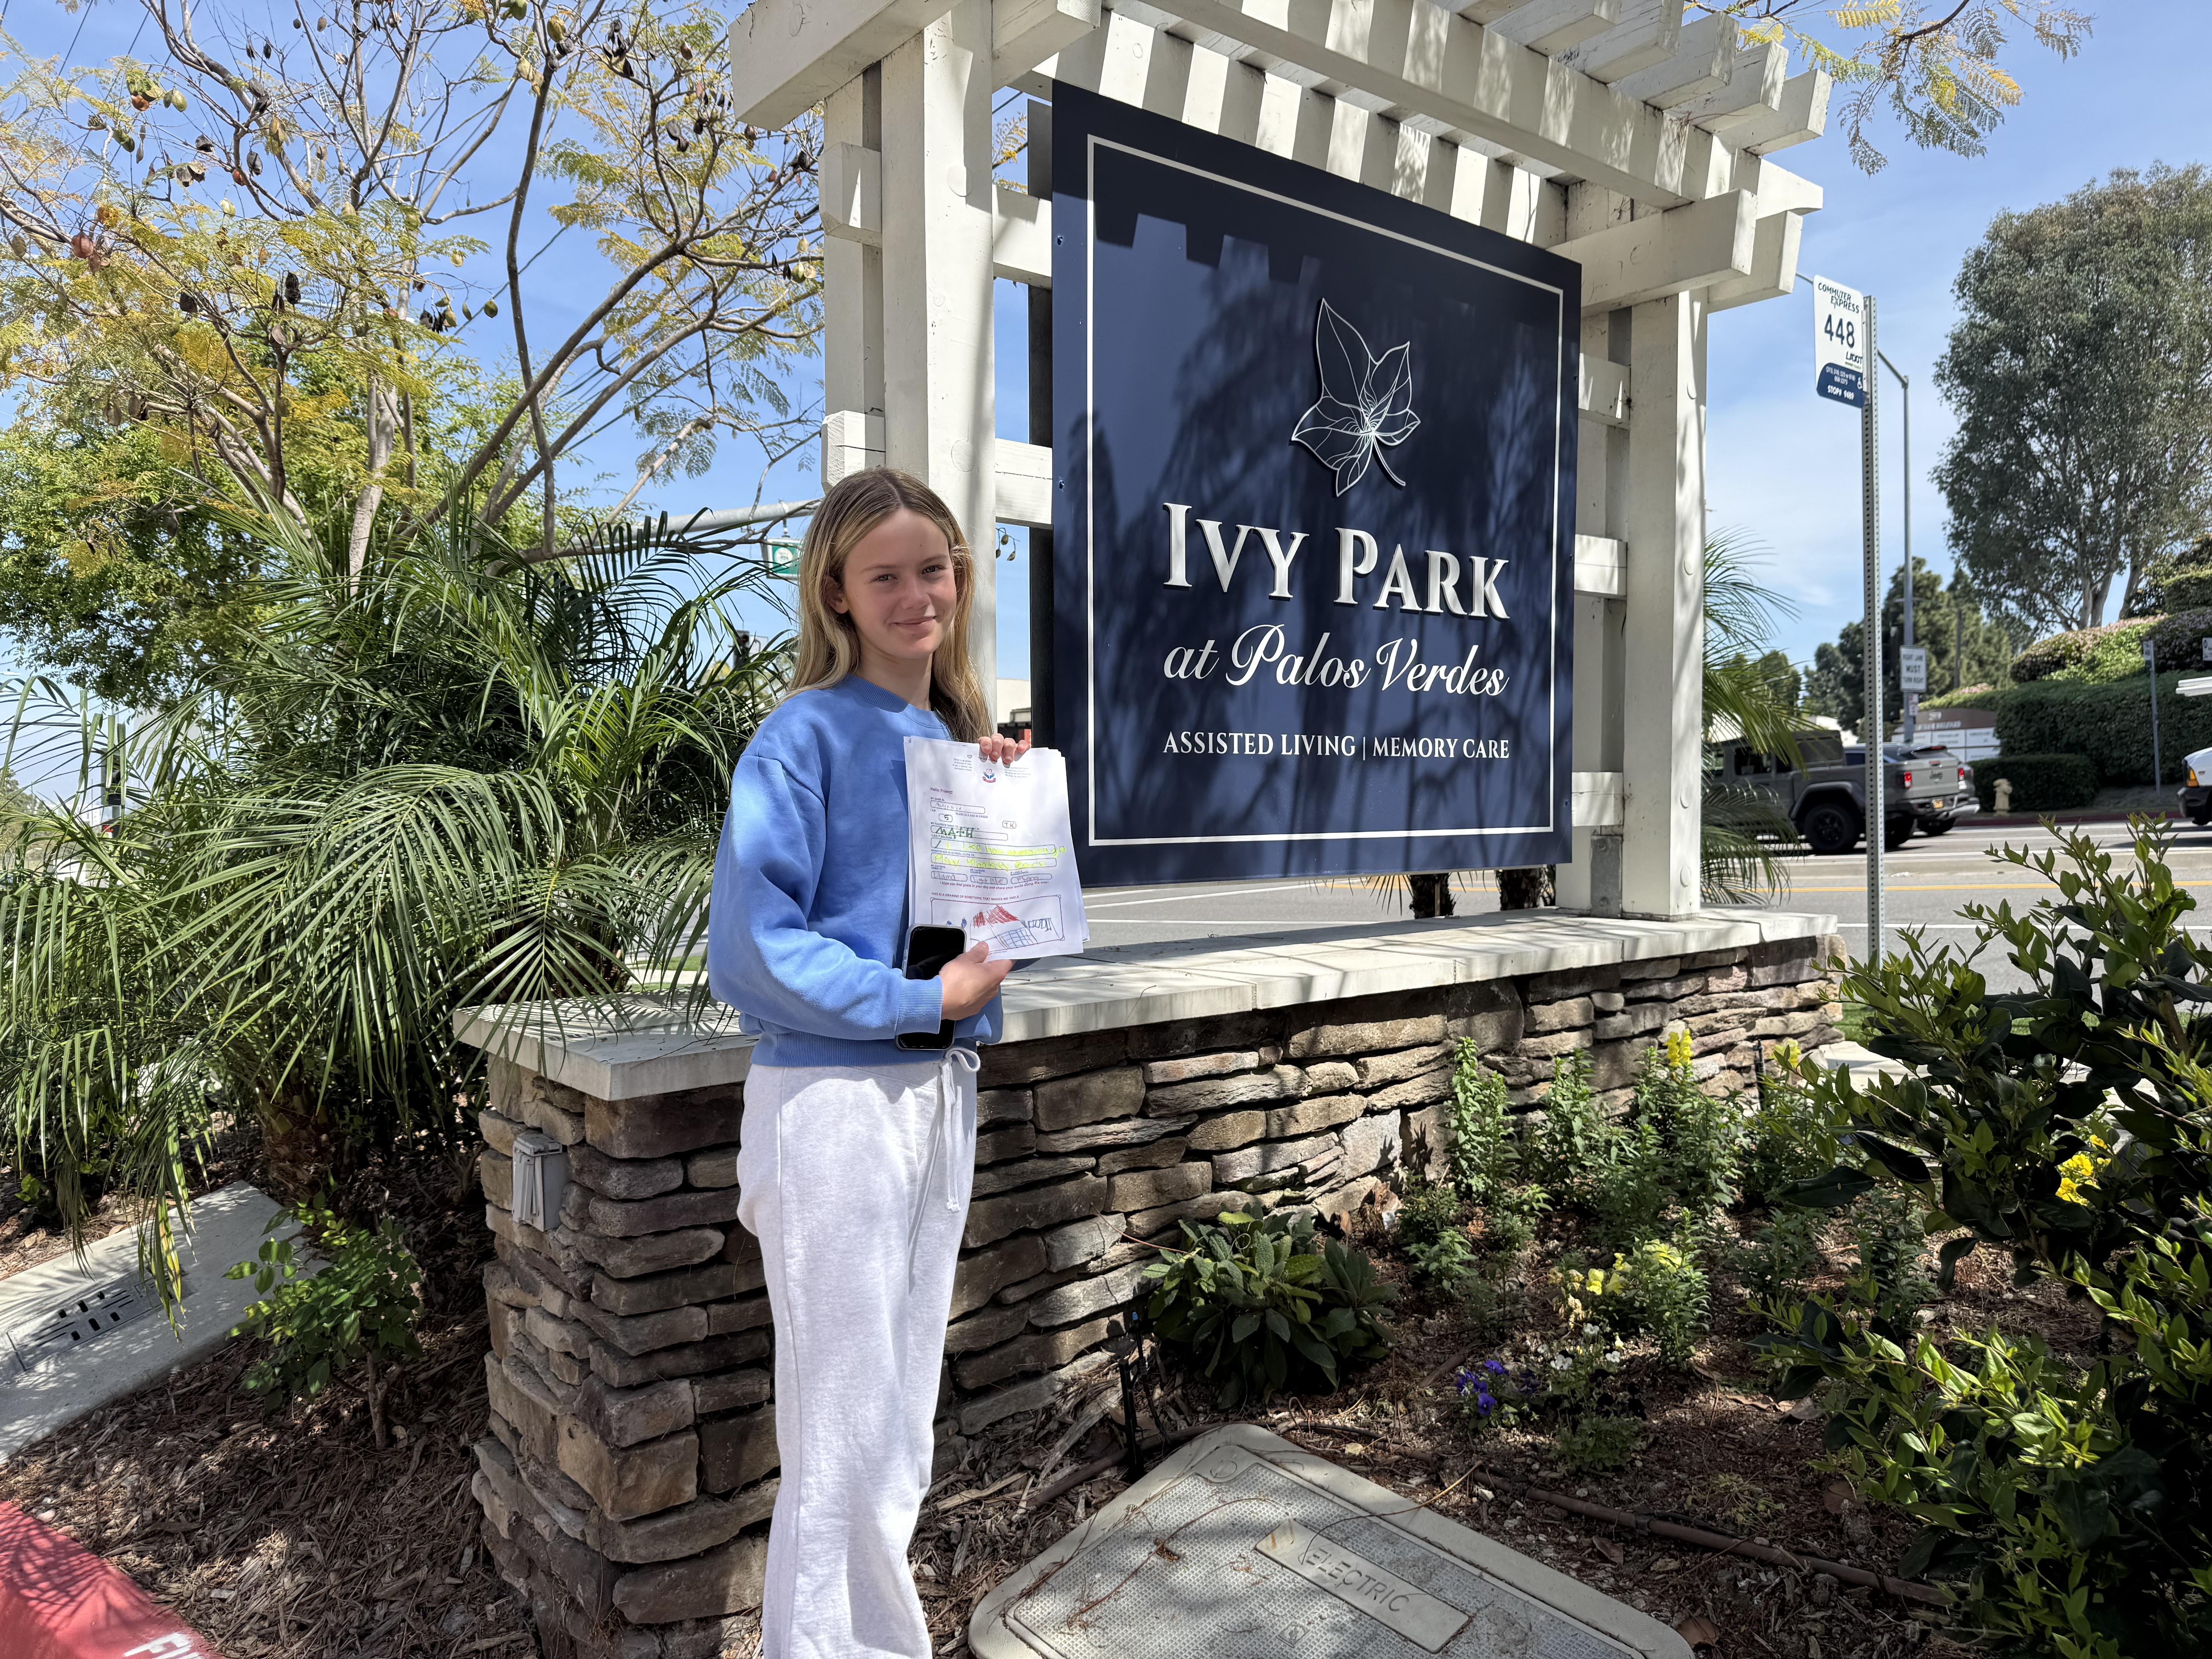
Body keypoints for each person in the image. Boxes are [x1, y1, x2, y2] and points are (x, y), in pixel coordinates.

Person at [707, 467, 1028, 1659]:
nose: (915, 593)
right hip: (835, 1102)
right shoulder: (802, 734)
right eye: (883, 573)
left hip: (935, 1092)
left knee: (895, 1424)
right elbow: (749, 947)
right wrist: (914, 998)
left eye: (932, 567)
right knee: (842, 1431)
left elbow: (981, 956)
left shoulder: (952, 739)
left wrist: (1004, 827)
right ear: (836, 592)